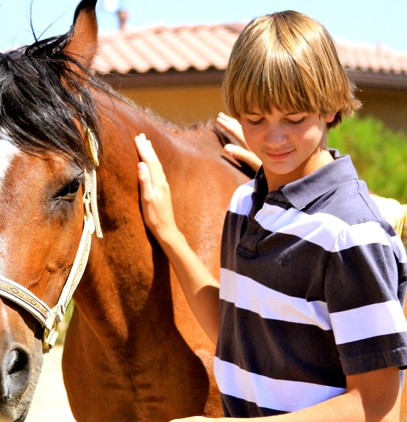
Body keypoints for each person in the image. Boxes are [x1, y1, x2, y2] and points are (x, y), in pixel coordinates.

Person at [134, 10, 407, 421]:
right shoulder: (245, 202)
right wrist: (168, 232)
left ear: (331, 108)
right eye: (255, 119)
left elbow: (376, 406)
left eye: (294, 119)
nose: (273, 138)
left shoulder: (351, 235)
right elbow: (235, 331)